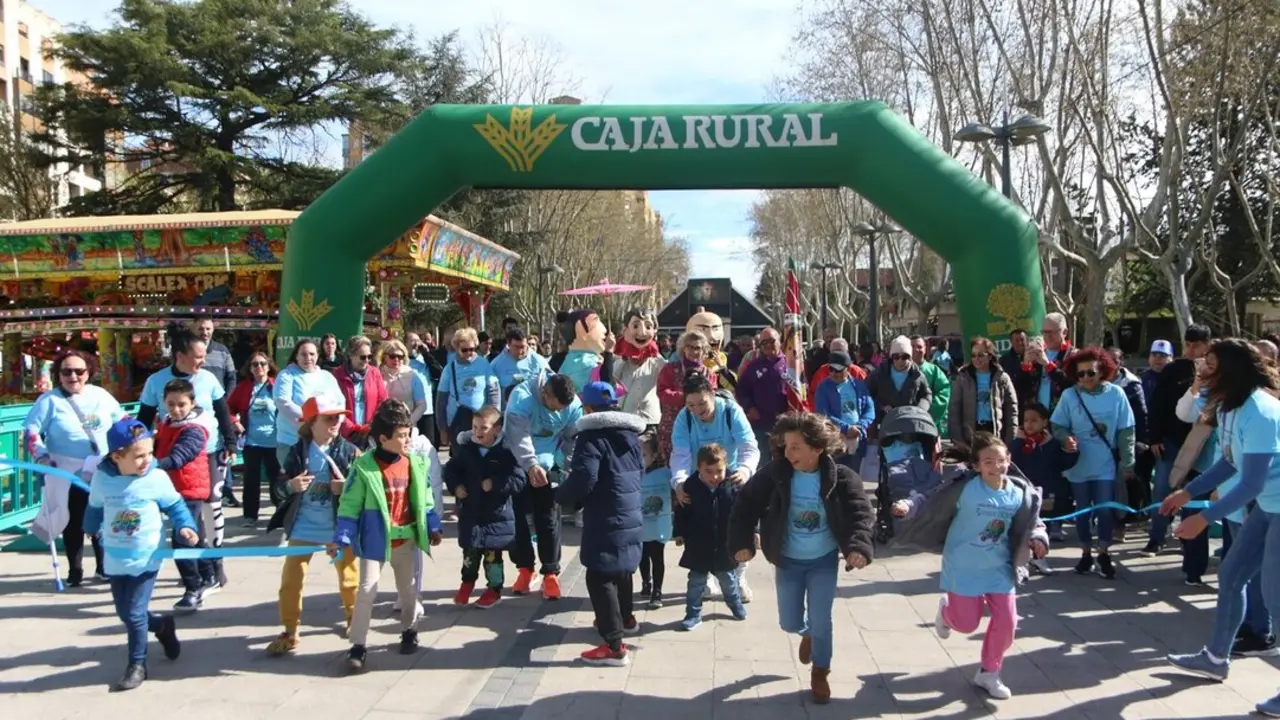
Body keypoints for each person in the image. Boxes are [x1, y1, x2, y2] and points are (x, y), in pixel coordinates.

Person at [1161, 339, 1280, 715]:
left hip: (1273, 505)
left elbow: (1251, 483)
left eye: (1209, 364)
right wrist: (1186, 492)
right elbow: (1229, 463)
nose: (1201, 370)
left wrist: (1203, 518)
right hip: (1268, 507)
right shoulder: (1228, 408)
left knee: (1275, 596)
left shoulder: (1261, 412)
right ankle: (1215, 658)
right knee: (1230, 576)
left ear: (1231, 370)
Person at [728, 412, 875, 705]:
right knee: (789, 622)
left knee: (822, 620)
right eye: (786, 445)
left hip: (823, 560)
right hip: (788, 561)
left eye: (796, 446)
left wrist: (858, 546)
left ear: (816, 449)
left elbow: (862, 513)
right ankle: (807, 635)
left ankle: (821, 670)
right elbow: (745, 505)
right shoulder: (776, 473)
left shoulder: (841, 477)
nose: (787, 452)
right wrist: (743, 542)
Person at [891, 433, 1050, 700]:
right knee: (966, 624)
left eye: (1000, 460)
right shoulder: (964, 487)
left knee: (1008, 623)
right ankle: (947, 612)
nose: (995, 466)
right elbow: (930, 498)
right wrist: (907, 505)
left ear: (1009, 461)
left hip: (1000, 568)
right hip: (963, 565)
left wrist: (1038, 538)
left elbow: (1034, 521)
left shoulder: (1020, 492)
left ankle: (989, 672)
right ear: (976, 465)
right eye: (988, 461)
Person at [83, 418, 199, 692]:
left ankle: (137, 665)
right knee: (125, 613)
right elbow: (95, 507)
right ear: (116, 456)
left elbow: (176, 506)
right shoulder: (103, 479)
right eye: (138, 456)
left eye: (149, 453)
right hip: (114, 556)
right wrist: (89, 528)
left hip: (146, 555)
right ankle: (161, 625)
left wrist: (185, 526)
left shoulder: (156, 478)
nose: (147, 460)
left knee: (134, 615)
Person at [334, 399, 443, 672]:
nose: (408, 440)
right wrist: (343, 535)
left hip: (405, 542)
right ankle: (357, 645)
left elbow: (426, 501)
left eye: (408, 434)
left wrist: (432, 526)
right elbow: (349, 505)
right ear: (383, 438)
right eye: (402, 436)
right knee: (366, 591)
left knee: (408, 592)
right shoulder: (363, 467)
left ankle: (409, 630)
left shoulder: (415, 464)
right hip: (374, 541)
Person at [556, 381, 647, 666]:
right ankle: (627, 619)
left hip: (606, 514)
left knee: (599, 575)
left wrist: (559, 494)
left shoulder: (591, 438)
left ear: (588, 407)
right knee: (622, 570)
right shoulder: (631, 436)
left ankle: (613, 645)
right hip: (630, 511)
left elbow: (585, 479)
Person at [137, 323, 237, 577]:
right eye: (198, 358)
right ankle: (197, 564)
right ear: (180, 356)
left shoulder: (209, 379)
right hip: (173, 458)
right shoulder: (155, 382)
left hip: (211, 451)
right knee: (185, 511)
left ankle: (216, 560)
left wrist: (231, 443)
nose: (202, 362)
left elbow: (223, 412)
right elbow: (144, 419)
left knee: (212, 507)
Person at [265, 395, 359, 656]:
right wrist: (290, 486)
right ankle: (290, 630)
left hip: (337, 528)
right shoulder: (297, 452)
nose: (336, 422)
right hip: (303, 527)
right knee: (291, 581)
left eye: (338, 417)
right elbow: (277, 489)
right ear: (311, 423)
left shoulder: (349, 451)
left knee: (350, 578)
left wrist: (346, 488)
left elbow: (364, 489)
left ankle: (354, 619)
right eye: (328, 418)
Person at [24, 350, 125, 587]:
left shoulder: (101, 395)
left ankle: (104, 567)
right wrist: (41, 456)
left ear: (89, 372)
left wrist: (139, 440)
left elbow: (123, 421)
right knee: (73, 520)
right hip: (66, 471)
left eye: (79, 371)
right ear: (58, 374)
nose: (73, 376)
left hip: (102, 468)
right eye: (66, 371)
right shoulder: (49, 400)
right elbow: (31, 431)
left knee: (102, 517)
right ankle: (75, 570)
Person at [1050, 347, 1136, 578]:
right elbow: (1057, 425)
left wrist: (1128, 462)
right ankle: (1086, 553)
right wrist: (1065, 439)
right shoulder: (1070, 396)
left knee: (1106, 510)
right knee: (1083, 512)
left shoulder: (1116, 394)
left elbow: (1126, 430)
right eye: (1081, 374)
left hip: (1105, 465)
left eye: (1091, 372)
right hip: (1078, 465)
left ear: (1102, 371)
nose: (1086, 378)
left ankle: (1104, 553)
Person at [504, 371, 582, 599]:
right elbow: (518, 436)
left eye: (561, 409)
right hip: (518, 460)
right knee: (516, 516)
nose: (558, 412)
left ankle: (550, 571)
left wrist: (564, 467)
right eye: (554, 407)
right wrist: (530, 465)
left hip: (549, 464)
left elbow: (571, 440)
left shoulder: (573, 405)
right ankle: (525, 568)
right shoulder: (521, 398)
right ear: (544, 393)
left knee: (548, 516)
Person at [445, 406, 527, 609]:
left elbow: (518, 480)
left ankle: (494, 589)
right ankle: (467, 582)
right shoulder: (467, 450)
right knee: (470, 553)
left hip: (496, 515)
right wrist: (457, 487)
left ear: (497, 429)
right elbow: (451, 470)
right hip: (471, 512)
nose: (478, 432)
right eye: (475, 427)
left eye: (484, 428)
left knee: (493, 557)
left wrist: (496, 483)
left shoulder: (506, 453)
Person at [1146, 325, 1212, 555]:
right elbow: (1156, 406)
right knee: (1163, 488)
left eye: (1196, 345)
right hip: (1172, 440)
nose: (1191, 349)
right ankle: (1156, 537)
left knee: (1194, 493)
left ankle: (1189, 540)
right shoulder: (1173, 370)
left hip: (1203, 443)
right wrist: (1155, 437)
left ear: (1207, 344)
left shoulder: (1217, 370)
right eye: (1188, 344)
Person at [154, 379, 217, 611]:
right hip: (171, 490)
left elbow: (178, 457)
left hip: (189, 491)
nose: (176, 409)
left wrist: (147, 465)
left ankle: (193, 588)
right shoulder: (167, 423)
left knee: (182, 539)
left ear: (192, 403)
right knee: (195, 536)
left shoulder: (195, 429)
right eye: (171, 404)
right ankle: (210, 574)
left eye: (181, 404)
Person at [674, 444, 748, 631]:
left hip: (724, 544)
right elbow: (682, 511)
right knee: (695, 584)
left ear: (726, 466)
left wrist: (750, 533)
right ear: (698, 467)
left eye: (719, 471)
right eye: (709, 471)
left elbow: (744, 511)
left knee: (729, 581)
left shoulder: (733, 483)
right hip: (699, 544)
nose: (714, 477)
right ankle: (692, 614)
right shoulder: (690, 486)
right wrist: (680, 532)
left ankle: (735, 604)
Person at [1012, 403, 1079, 554]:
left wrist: (1071, 452)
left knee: (1041, 529)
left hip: (1046, 492)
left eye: (1034, 420)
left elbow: (1062, 464)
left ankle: (1040, 557)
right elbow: (1012, 462)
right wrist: (1018, 442)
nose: (1029, 424)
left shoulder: (1051, 443)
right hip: (1022, 493)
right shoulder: (1018, 442)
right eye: (1026, 420)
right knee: (1022, 529)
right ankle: (1023, 557)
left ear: (1044, 422)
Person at [227, 352, 279, 524]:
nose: (259, 368)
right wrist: (235, 421)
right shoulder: (243, 387)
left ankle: (281, 514)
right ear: (249, 368)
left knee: (277, 479)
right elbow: (228, 408)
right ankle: (250, 515)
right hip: (252, 441)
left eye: (263, 364)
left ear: (269, 366)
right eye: (255, 364)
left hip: (274, 441)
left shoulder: (276, 385)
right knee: (251, 480)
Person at [274, 338, 343, 466]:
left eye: (312, 354)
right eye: (303, 354)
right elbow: (283, 402)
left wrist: (335, 425)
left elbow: (340, 402)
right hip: (292, 441)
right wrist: (311, 424)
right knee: (295, 483)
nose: (308, 358)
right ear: (296, 356)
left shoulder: (327, 376)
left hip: (322, 442)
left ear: (317, 356)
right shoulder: (287, 375)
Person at [194, 318, 239, 507]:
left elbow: (231, 377)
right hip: (195, 412)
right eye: (201, 328)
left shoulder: (222, 351)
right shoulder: (189, 351)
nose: (205, 332)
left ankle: (225, 490)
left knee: (223, 450)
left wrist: (224, 402)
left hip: (219, 409)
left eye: (208, 329)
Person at [656, 331, 717, 461]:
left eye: (697, 348)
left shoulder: (709, 374)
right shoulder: (670, 368)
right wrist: (685, 398)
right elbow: (661, 391)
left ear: (704, 351)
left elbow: (713, 398)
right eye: (689, 346)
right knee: (674, 464)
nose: (693, 351)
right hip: (672, 425)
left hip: (701, 426)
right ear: (683, 348)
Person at [948, 337, 1018, 449]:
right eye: (973, 355)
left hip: (994, 433)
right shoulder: (963, 377)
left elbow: (1012, 410)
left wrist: (1010, 439)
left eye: (980, 355)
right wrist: (958, 439)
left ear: (990, 356)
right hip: (971, 434)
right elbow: (954, 409)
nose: (976, 359)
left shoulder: (1001, 377)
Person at [435, 329, 500, 449]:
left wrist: (494, 418)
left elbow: (494, 392)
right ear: (456, 349)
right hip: (457, 420)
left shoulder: (484, 364)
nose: (469, 353)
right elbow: (441, 401)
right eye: (464, 350)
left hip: (481, 421)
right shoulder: (449, 368)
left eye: (472, 349)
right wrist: (442, 429)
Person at [813, 350, 875, 471]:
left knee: (854, 478)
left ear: (848, 368)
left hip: (857, 438)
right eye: (831, 369)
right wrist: (846, 428)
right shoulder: (823, 387)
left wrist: (860, 426)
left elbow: (870, 409)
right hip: (835, 440)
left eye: (838, 370)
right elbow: (823, 414)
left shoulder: (859, 385)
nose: (834, 373)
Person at [736, 327, 791, 464]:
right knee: (763, 464)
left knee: (787, 461)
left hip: (787, 424)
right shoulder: (753, 367)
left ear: (780, 342)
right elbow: (741, 389)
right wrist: (749, 408)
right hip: (761, 424)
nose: (768, 345)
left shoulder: (791, 364)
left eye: (771, 341)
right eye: (763, 342)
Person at [610, 308, 665, 429]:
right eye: (635, 326)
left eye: (648, 326)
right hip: (625, 418)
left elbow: (668, 372)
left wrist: (653, 352)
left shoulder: (656, 362)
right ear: (626, 330)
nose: (642, 333)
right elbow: (612, 380)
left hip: (650, 420)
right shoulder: (621, 362)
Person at [330, 336, 389, 447]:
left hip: (370, 432)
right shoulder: (337, 375)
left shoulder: (374, 373)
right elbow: (333, 405)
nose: (367, 360)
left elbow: (383, 400)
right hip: (345, 433)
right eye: (362, 357)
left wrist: (372, 425)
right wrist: (352, 428)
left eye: (369, 356)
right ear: (351, 355)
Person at [637, 431, 673, 609]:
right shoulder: (634, 475)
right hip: (640, 526)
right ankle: (646, 582)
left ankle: (657, 592)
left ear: (654, 456)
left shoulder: (665, 473)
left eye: (643, 455)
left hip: (659, 526)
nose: (640, 459)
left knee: (657, 558)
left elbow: (678, 484)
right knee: (642, 557)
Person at [867, 336, 932, 427]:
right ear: (891, 357)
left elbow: (927, 395)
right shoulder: (878, 374)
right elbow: (867, 396)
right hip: (884, 423)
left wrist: (919, 410)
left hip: (910, 424)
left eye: (904, 357)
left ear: (910, 357)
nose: (900, 361)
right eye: (896, 357)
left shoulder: (918, 375)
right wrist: (881, 406)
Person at [380, 339, 430, 434]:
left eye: (400, 356)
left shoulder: (412, 375)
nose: (396, 359)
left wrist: (408, 422)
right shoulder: (376, 375)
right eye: (392, 356)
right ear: (384, 357)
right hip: (382, 427)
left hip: (407, 428)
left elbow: (422, 404)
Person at [1012, 335, 1072, 414]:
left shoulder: (1067, 355)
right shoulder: (1025, 362)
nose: (1034, 353)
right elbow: (1019, 389)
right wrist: (1026, 364)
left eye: (1039, 349)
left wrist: (1047, 364)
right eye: (1030, 350)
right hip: (1034, 415)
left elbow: (1068, 383)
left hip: (1059, 413)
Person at [491, 327, 550, 406]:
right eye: (516, 347)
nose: (520, 351)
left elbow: (550, 387)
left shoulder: (539, 362)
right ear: (508, 344)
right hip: (507, 412)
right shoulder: (496, 364)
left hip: (534, 413)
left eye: (523, 347)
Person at [911, 335, 952, 436]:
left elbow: (944, 394)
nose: (916, 349)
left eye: (919, 347)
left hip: (930, 423)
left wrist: (923, 410)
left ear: (925, 349)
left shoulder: (934, 371)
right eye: (912, 346)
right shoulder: (900, 371)